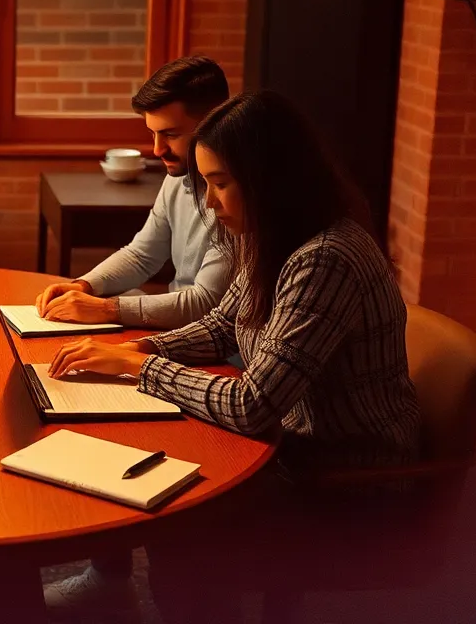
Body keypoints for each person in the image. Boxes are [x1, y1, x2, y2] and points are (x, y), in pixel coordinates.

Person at [46, 92, 421, 624]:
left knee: (178, 513)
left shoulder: (325, 258)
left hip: (346, 475)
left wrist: (141, 368)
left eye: (220, 183)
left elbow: (254, 404)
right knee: (142, 446)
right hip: (293, 445)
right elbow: (225, 325)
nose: (211, 203)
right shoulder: (277, 237)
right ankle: (127, 589)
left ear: (271, 179)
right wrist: (138, 347)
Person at [35, 55, 232, 332]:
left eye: (170, 135)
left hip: (210, 344)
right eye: (152, 134)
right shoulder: (178, 177)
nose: (156, 150)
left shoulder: (239, 198)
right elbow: (142, 255)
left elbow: (206, 303)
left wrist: (106, 309)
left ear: (214, 123)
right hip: (177, 332)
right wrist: (83, 285)